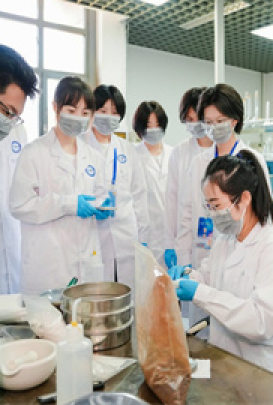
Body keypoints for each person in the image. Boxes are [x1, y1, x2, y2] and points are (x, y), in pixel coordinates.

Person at [168, 150, 273, 375]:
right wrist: (187, 277)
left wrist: (198, 292)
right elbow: (208, 277)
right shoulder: (226, 239)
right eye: (208, 206)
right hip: (224, 357)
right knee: (169, 378)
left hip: (261, 369)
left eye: (216, 205)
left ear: (244, 199)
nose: (212, 214)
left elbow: (261, 323)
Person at [176, 84, 271, 335]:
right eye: (208, 122)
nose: (214, 127)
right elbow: (187, 213)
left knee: (235, 322)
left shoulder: (251, 160)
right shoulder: (198, 163)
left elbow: (264, 215)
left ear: (234, 120)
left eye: (220, 121)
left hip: (243, 259)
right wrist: (182, 261)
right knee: (203, 333)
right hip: (205, 254)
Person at [10, 76, 112, 295]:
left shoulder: (93, 157)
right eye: (71, 110)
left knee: (85, 314)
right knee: (48, 315)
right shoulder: (34, 153)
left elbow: (100, 194)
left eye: (85, 113)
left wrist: (104, 205)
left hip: (86, 260)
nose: (78, 119)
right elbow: (20, 205)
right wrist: (69, 204)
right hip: (49, 265)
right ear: (55, 108)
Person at [80, 84, 149, 290]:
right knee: (96, 293)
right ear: (92, 112)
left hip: (126, 235)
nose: (108, 117)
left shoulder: (128, 150)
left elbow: (139, 196)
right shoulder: (79, 146)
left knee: (128, 293)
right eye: (102, 111)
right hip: (91, 234)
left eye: (114, 112)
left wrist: (143, 239)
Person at [0, 43, 38, 294]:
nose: (9, 122)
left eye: (15, 116)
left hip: (14, 258)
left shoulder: (17, 132)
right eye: (6, 111)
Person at [164, 87, 213, 269]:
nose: (195, 125)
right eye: (190, 120)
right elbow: (171, 200)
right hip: (186, 238)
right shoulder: (179, 152)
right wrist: (169, 243)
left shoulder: (221, 151)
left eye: (199, 119)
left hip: (217, 236)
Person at [133, 101, 172, 267]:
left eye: (157, 124)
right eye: (149, 125)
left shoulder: (173, 154)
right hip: (145, 236)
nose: (154, 129)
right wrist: (140, 238)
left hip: (170, 236)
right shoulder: (133, 155)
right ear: (140, 127)